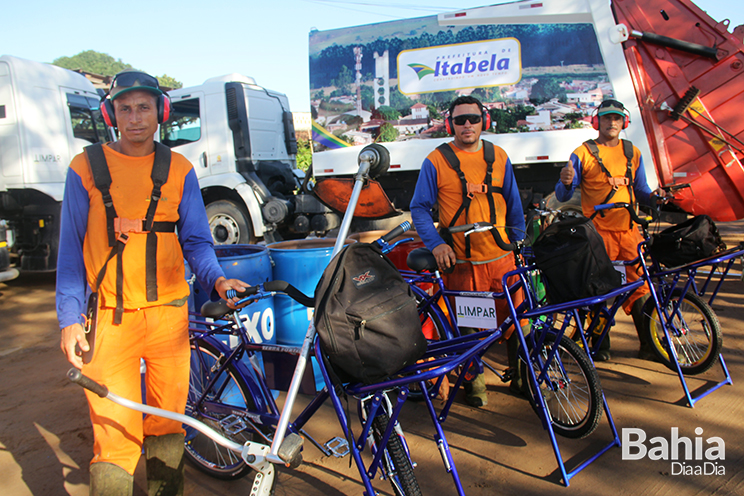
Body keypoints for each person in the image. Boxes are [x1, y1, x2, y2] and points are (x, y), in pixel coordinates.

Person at [56, 70, 248, 496]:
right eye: (125, 108)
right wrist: (69, 318)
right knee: (114, 434)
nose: (135, 117)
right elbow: (69, 251)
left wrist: (215, 279)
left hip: (169, 320)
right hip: (109, 319)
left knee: (166, 424)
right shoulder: (84, 168)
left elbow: (196, 240)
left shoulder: (179, 169)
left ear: (160, 112)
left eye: (144, 107)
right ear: (111, 114)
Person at [410, 95, 526, 407]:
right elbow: (419, 209)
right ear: (450, 124)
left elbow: (514, 203)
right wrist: (437, 244)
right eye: (460, 120)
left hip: (502, 260)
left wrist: (520, 240)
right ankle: (475, 382)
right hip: (464, 263)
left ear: (483, 121)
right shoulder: (436, 161)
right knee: (471, 325)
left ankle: (520, 376)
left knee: (517, 321)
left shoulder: (499, 156)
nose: (467, 125)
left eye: (473, 119)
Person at [556, 98, 666, 362]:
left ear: (624, 121)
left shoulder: (632, 152)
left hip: (629, 232)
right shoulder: (582, 154)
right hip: (597, 235)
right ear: (597, 122)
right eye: (607, 118)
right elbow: (562, 195)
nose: (612, 122)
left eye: (617, 118)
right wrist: (566, 182)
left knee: (640, 287)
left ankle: (648, 343)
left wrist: (654, 199)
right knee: (598, 289)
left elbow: (640, 189)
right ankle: (600, 344)